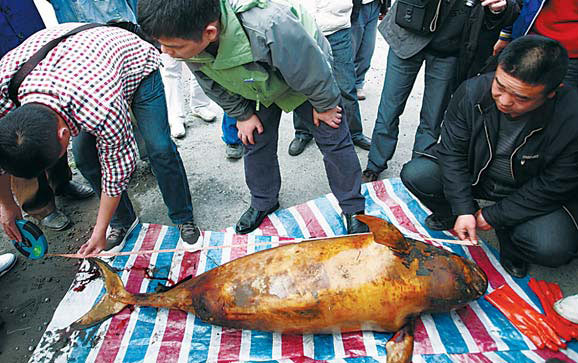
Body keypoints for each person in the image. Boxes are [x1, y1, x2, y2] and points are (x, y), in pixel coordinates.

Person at [138, 0, 368, 235]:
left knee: (333, 136)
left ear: (210, 32)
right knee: (254, 139)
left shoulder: (269, 24)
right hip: (252, 82)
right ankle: (264, 201)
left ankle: (353, 208)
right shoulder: (185, 40)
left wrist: (325, 104)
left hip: (304, 74)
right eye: (162, 44)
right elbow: (211, 84)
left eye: (172, 46)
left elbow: (310, 66)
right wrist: (242, 114)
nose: (165, 51)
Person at [0, 24, 199, 257]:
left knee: (160, 147)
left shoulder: (100, 107)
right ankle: (123, 221)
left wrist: (99, 229)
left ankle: (183, 217)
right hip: (79, 63)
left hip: (135, 63)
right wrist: (7, 206)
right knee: (84, 159)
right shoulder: (5, 82)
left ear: (64, 134)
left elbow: (117, 169)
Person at [400, 36, 578, 278]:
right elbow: (452, 153)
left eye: (522, 97)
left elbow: (554, 186)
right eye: (500, 86)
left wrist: (494, 216)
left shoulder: (571, 117)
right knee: (417, 174)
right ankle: (455, 213)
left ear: (552, 93)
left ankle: (511, 236)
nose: (504, 101)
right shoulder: (473, 92)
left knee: (552, 247)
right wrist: (463, 208)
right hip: (479, 176)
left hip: (526, 187)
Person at [361, 0, 520, 183]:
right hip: (407, 35)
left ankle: (418, 172)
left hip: (450, 47)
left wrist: (498, 9)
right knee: (390, 108)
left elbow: (512, 11)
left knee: (433, 117)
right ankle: (374, 165)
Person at [48, 0, 217, 139]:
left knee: (198, 60)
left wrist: (143, 30)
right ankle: (175, 117)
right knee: (169, 67)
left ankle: (200, 105)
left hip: (127, 30)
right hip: (86, 41)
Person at [1, 0, 94, 232]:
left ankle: (61, 182)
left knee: (48, 127)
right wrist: (5, 204)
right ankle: (40, 206)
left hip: (33, 48)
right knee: (17, 144)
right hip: (4, 71)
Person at [287, 0, 372, 157]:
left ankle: (354, 133)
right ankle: (302, 133)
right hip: (300, 27)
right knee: (301, 85)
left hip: (337, 27)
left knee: (346, 85)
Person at [493, 0, 578, 89]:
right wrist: (506, 34)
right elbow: (520, 4)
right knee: (509, 90)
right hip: (527, 44)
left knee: (559, 99)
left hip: (569, 57)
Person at [350, 0, 390, 101]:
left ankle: (358, 83)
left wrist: (385, 6)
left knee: (367, 49)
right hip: (356, 5)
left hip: (375, 5)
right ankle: (347, 84)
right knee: (352, 49)